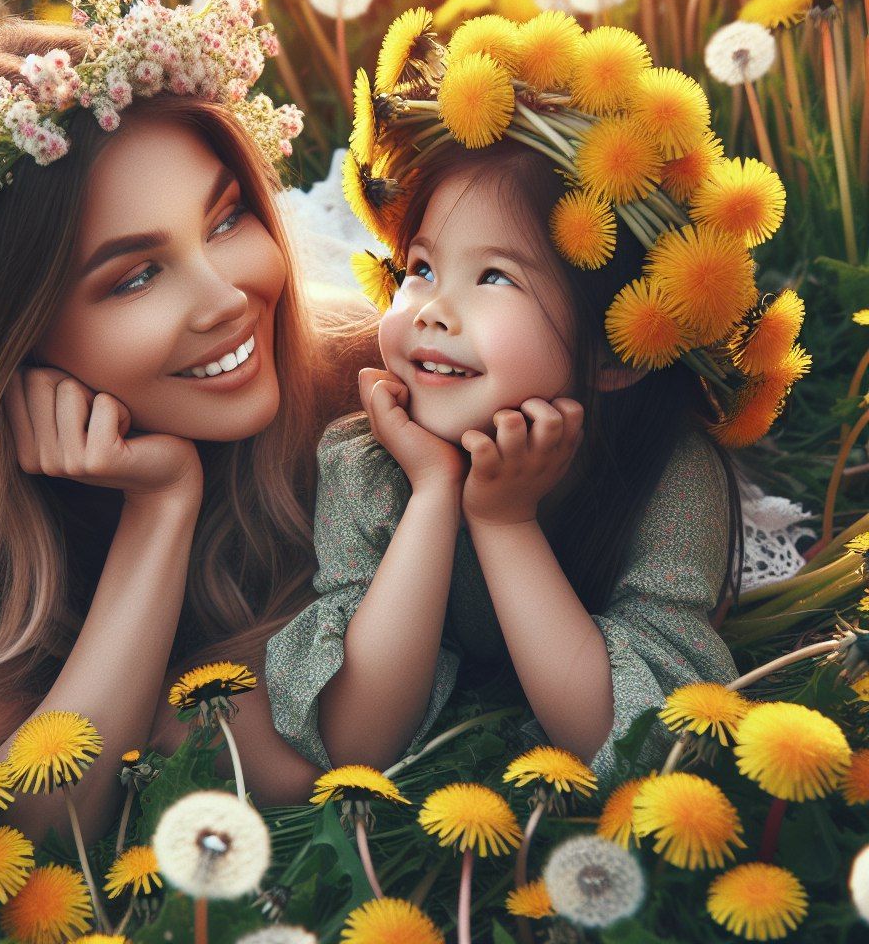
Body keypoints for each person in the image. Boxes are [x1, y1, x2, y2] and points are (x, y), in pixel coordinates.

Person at [0, 0, 380, 847]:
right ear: (4, 341)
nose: (228, 299)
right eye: (135, 277)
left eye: (227, 217)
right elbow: (35, 831)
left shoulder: (361, 378)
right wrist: (159, 510)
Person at [264, 134, 750, 788]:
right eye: (422, 268)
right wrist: (434, 492)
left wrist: (504, 522)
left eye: (494, 277)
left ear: (616, 354)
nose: (433, 311)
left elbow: (636, 740)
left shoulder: (669, 476)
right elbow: (359, 737)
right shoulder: (369, 460)